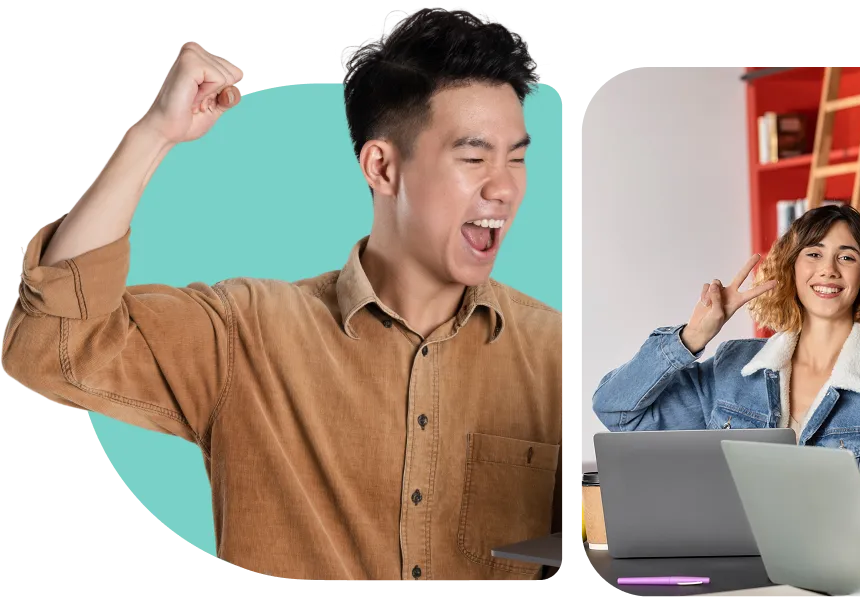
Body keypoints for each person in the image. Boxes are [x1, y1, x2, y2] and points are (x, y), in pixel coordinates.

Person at [0, 8, 562, 583]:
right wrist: (155, 134)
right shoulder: (247, 334)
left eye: (516, 158)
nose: (504, 187)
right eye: (474, 158)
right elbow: (52, 345)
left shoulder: (559, 356)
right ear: (382, 167)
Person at [592, 205, 860, 486]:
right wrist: (692, 337)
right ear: (792, 268)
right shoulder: (733, 366)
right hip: (731, 552)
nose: (827, 270)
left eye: (846, 258)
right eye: (813, 254)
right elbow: (617, 411)